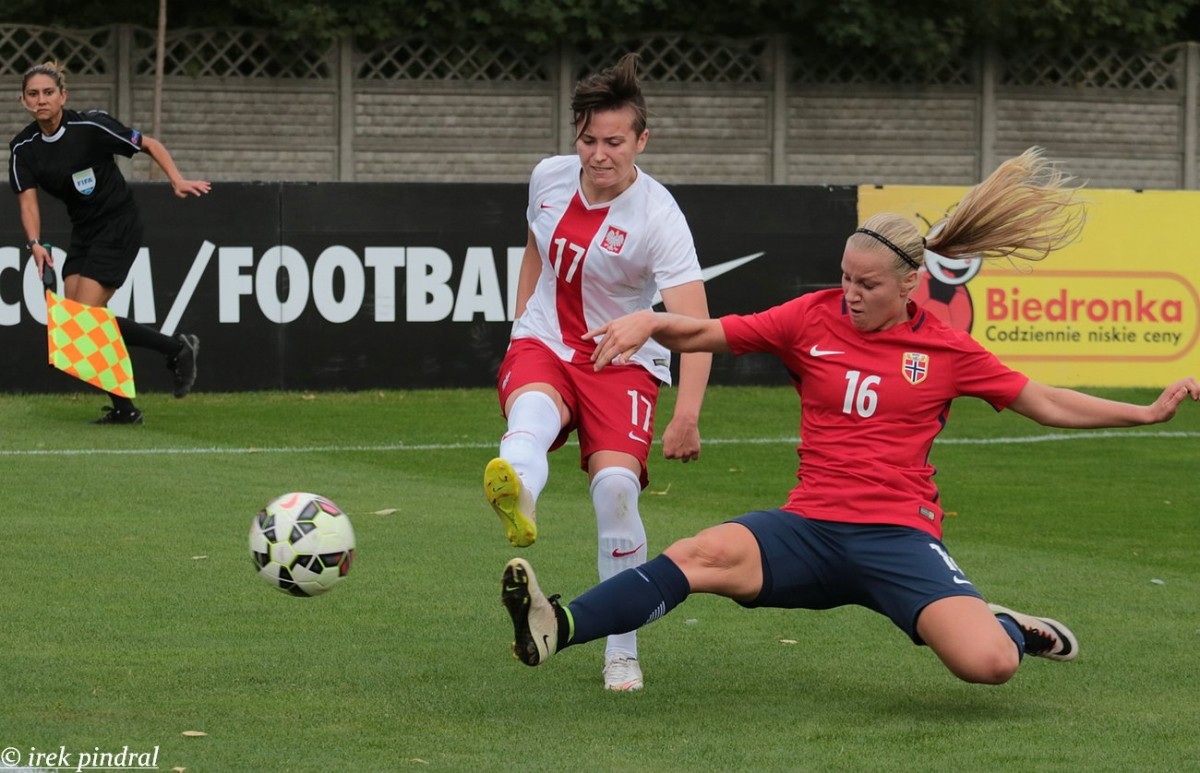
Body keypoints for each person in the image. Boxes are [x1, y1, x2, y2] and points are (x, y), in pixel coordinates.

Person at [499, 147, 1200, 687]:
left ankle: (1006, 625)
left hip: (898, 536)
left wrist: (1143, 412)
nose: (850, 293)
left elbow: (1043, 400)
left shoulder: (947, 348)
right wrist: (650, 320)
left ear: (909, 286)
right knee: (697, 554)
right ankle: (559, 622)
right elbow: (712, 332)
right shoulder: (810, 318)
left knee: (989, 664)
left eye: (866, 284)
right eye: (844, 277)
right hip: (808, 527)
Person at [484, 53, 712, 691]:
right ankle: (519, 495)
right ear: (575, 136)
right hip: (545, 342)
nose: (598, 154)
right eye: (588, 139)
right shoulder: (548, 178)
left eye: (614, 141)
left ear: (642, 140)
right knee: (530, 412)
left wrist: (687, 413)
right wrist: (519, 327)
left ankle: (621, 649)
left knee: (616, 490)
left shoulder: (659, 216)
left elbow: (694, 322)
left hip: (622, 361)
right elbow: (535, 246)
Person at [9, 60, 211, 424]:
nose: (41, 100)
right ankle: (131, 401)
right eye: (33, 94)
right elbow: (28, 203)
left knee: (85, 321)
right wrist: (35, 243)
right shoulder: (24, 148)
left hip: (118, 224)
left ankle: (176, 350)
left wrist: (176, 180)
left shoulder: (90, 127)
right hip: (84, 230)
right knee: (80, 322)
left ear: (62, 96)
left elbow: (148, 144)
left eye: (48, 93)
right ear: (23, 101)